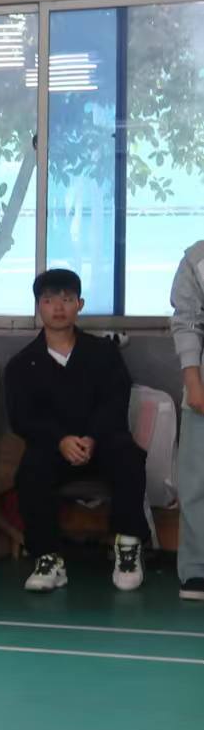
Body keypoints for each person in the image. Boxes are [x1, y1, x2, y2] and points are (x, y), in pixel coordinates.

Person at [3, 269, 147, 592]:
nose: (58, 307)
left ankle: (128, 548)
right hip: (53, 448)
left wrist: (92, 437)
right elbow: (22, 418)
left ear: (79, 304)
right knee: (31, 470)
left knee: (130, 456)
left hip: (102, 442)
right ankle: (48, 558)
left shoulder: (103, 353)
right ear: (38, 306)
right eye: (49, 300)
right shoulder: (23, 364)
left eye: (67, 299)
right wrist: (60, 440)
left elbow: (115, 401)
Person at [171, 240, 204, 601]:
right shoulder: (197, 257)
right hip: (202, 387)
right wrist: (193, 382)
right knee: (197, 481)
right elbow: (187, 322)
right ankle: (197, 569)